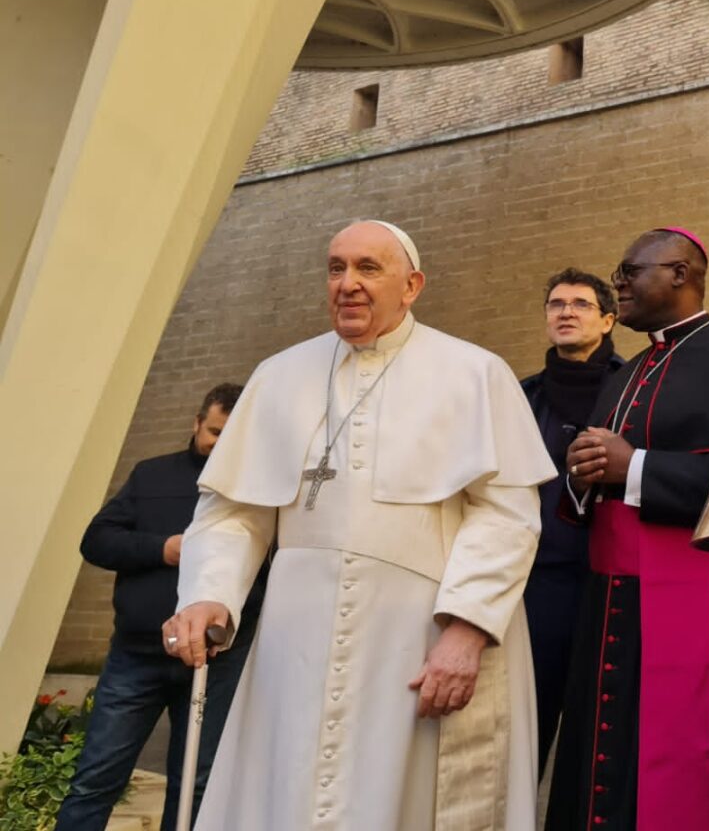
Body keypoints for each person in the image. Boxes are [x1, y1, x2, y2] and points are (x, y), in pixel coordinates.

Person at [162, 220, 553, 831]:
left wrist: (466, 630)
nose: (348, 284)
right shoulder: (279, 375)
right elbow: (234, 511)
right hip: (297, 640)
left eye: (369, 268)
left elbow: (506, 512)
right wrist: (209, 592)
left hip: (420, 636)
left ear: (412, 285)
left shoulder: (474, 373)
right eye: (336, 268)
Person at [546, 228, 709, 831]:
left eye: (631, 271)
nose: (619, 284)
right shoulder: (623, 372)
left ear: (680, 274)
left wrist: (637, 467)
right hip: (609, 606)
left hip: (701, 603)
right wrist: (584, 474)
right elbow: (598, 485)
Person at [56, 385, 265, 831]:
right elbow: (96, 540)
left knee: (196, 784)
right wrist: (163, 549)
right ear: (195, 423)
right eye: (214, 432)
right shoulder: (151, 475)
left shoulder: (256, 491)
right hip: (137, 656)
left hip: (216, 662)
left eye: (232, 435)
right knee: (95, 779)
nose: (221, 444)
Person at [518, 268, 625, 771]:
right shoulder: (520, 397)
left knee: (604, 735)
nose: (565, 312)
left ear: (607, 320)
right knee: (526, 726)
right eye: (556, 304)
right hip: (537, 585)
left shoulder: (635, 390)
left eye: (581, 304)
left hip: (613, 579)